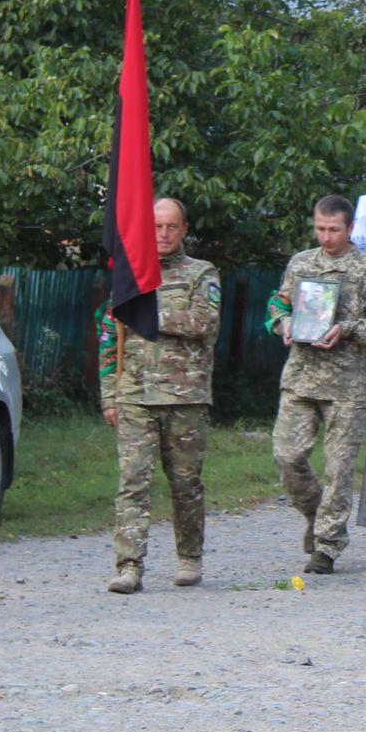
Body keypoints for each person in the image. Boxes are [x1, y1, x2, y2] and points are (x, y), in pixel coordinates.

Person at [268, 194, 366, 575]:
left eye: (334, 230)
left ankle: (327, 545)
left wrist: (348, 329)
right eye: (320, 229)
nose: (326, 237)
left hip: (344, 386)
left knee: (339, 469)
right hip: (300, 378)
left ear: (350, 228)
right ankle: (316, 512)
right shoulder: (301, 263)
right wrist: (284, 323)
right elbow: (279, 304)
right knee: (287, 457)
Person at [100, 197, 220, 594]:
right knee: (133, 481)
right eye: (156, 226)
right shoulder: (129, 275)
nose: (164, 234)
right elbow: (109, 338)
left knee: (185, 483)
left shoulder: (202, 273)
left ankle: (189, 556)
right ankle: (129, 566)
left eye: (171, 226)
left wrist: (150, 317)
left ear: (184, 229)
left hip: (185, 397)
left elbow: (204, 321)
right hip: (135, 394)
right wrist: (109, 395)